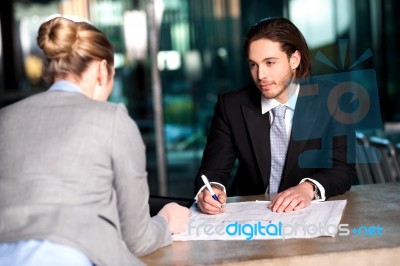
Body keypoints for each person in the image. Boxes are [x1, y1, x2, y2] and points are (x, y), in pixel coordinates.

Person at [0, 16, 190, 266]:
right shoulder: (111, 118)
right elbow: (138, 240)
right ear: (102, 70)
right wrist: (166, 220)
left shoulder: (6, 117)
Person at [194, 17, 356, 215]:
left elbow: (342, 169)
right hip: (248, 215)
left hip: (306, 212)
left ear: (294, 59)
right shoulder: (231, 105)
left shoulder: (334, 100)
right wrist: (210, 191)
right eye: (253, 65)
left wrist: (307, 188)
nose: (260, 75)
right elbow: (213, 170)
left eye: (270, 63)